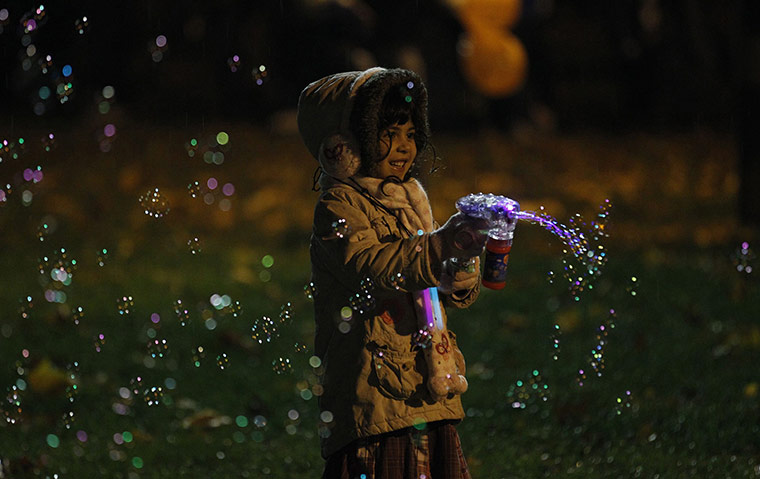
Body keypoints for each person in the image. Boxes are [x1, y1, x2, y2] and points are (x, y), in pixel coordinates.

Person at [297, 67, 488, 479]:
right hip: (373, 390)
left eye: (410, 133)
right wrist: (439, 246)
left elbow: (431, 277)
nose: (404, 146)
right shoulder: (338, 207)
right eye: (388, 133)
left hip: (426, 382)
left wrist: (461, 265)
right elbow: (373, 265)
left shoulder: (410, 200)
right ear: (343, 145)